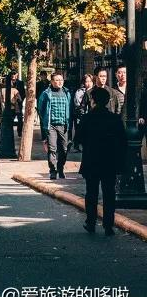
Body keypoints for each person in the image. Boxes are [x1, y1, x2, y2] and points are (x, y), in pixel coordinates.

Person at [77, 86, 128, 236]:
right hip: (109, 162)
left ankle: (91, 222)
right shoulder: (114, 119)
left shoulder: (87, 118)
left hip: (92, 160)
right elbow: (122, 141)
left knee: (91, 193)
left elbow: (78, 139)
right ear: (107, 101)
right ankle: (108, 225)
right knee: (109, 194)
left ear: (93, 101)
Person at [38, 71, 73, 180]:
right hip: (51, 125)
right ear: (52, 81)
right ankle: (53, 170)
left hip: (64, 125)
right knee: (52, 148)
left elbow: (70, 108)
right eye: (56, 80)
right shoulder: (46, 93)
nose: (59, 82)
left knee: (64, 148)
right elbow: (41, 108)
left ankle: (60, 168)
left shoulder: (67, 93)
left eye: (61, 80)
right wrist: (45, 121)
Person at [72, 73, 93, 148]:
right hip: (80, 115)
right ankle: (76, 145)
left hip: (91, 115)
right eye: (86, 81)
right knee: (79, 131)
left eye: (90, 81)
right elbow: (78, 104)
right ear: (83, 83)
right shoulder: (79, 92)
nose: (88, 83)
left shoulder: (94, 91)